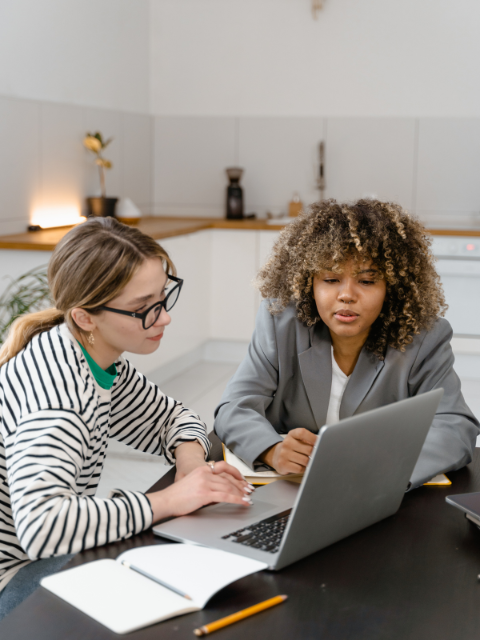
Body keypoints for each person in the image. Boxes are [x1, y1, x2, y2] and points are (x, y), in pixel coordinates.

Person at [0, 217, 252, 619]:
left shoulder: (94, 358)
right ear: (85, 317)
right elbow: (43, 527)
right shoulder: (59, 403)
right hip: (14, 583)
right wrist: (168, 499)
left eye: (162, 298)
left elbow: (173, 417)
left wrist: (189, 466)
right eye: (143, 310)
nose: (164, 318)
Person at [214, 199, 479, 487]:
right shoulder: (281, 324)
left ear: (391, 287)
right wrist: (271, 450)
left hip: (376, 499)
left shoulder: (423, 337)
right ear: (308, 283)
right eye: (330, 278)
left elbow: (455, 427)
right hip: (289, 493)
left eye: (366, 281)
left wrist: (383, 470)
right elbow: (234, 407)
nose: (347, 295)